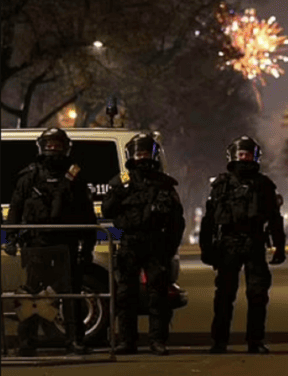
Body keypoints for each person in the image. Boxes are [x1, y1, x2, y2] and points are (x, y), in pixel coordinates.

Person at [5, 128, 97, 357]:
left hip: (66, 245)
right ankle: (27, 341)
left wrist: (87, 248)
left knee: (72, 295)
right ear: (42, 146)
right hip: (36, 245)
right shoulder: (29, 177)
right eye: (50, 144)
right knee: (31, 295)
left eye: (58, 145)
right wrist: (11, 239)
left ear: (66, 147)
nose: (54, 149)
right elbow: (15, 209)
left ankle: (75, 340)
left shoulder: (75, 178)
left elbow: (87, 215)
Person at [199, 136, 286, 354]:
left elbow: (275, 219)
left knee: (258, 295)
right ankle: (219, 341)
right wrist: (206, 249)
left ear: (255, 156)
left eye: (248, 154)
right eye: (241, 154)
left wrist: (280, 247)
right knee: (224, 296)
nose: (244, 158)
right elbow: (209, 220)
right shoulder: (221, 186)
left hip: (255, 243)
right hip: (227, 244)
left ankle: (255, 341)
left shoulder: (264, 185)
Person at [102, 132, 185, 356]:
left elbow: (177, 220)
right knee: (125, 295)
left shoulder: (165, 185)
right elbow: (107, 210)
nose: (142, 157)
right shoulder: (121, 182)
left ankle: (157, 341)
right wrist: (119, 193)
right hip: (129, 244)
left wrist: (169, 247)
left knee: (157, 295)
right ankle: (127, 341)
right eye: (138, 153)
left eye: (146, 153)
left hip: (156, 245)